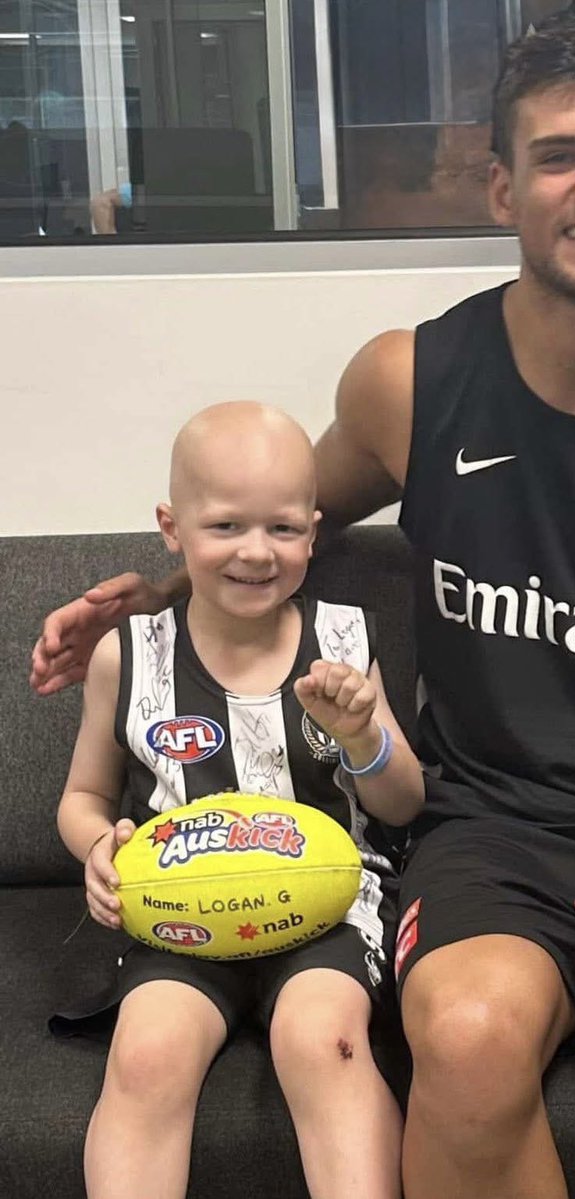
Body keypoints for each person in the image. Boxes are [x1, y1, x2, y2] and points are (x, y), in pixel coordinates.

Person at [32, 15, 575, 1199]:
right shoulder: (409, 381)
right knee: (466, 1034)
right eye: (556, 156)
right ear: (501, 186)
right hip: (491, 829)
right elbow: (292, 525)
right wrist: (154, 600)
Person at [53, 401, 423, 1199]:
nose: (257, 552)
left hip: (328, 901)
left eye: (283, 528)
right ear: (172, 527)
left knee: (321, 1039)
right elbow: (82, 794)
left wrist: (365, 739)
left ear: (314, 531)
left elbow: (402, 804)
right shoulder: (128, 653)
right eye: (225, 526)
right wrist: (95, 844)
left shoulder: (344, 642)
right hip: (176, 905)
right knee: (146, 1051)